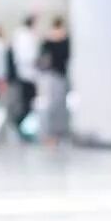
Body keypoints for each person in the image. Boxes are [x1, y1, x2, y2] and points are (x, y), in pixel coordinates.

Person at [37, 15, 71, 147]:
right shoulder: (61, 40)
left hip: (51, 76)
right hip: (55, 75)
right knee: (55, 105)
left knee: (55, 105)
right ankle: (52, 134)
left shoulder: (48, 40)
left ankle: (53, 134)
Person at [11, 13, 41, 132]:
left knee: (28, 101)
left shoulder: (23, 35)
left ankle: (23, 124)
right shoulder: (24, 36)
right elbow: (27, 56)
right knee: (27, 102)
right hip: (26, 73)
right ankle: (21, 124)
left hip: (27, 73)